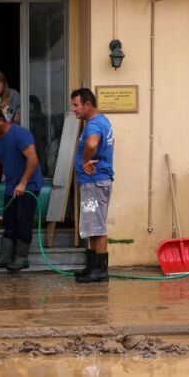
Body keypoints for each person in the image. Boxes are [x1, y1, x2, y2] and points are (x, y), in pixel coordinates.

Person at [0, 105, 43, 271]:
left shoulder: (20, 134)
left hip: (29, 186)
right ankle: (5, 257)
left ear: (1, 120)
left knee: (24, 220)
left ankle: (21, 258)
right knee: (9, 221)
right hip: (11, 186)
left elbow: (33, 159)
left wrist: (23, 183)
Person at [70, 88, 114, 283]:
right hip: (92, 183)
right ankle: (92, 267)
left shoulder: (94, 124)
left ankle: (100, 270)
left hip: (94, 183)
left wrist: (86, 160)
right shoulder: (100, 121)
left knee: (97, 226)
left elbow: (91, 144)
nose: (74, 110)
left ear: (88, 104)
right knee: (91, 225)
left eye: (76, 105)